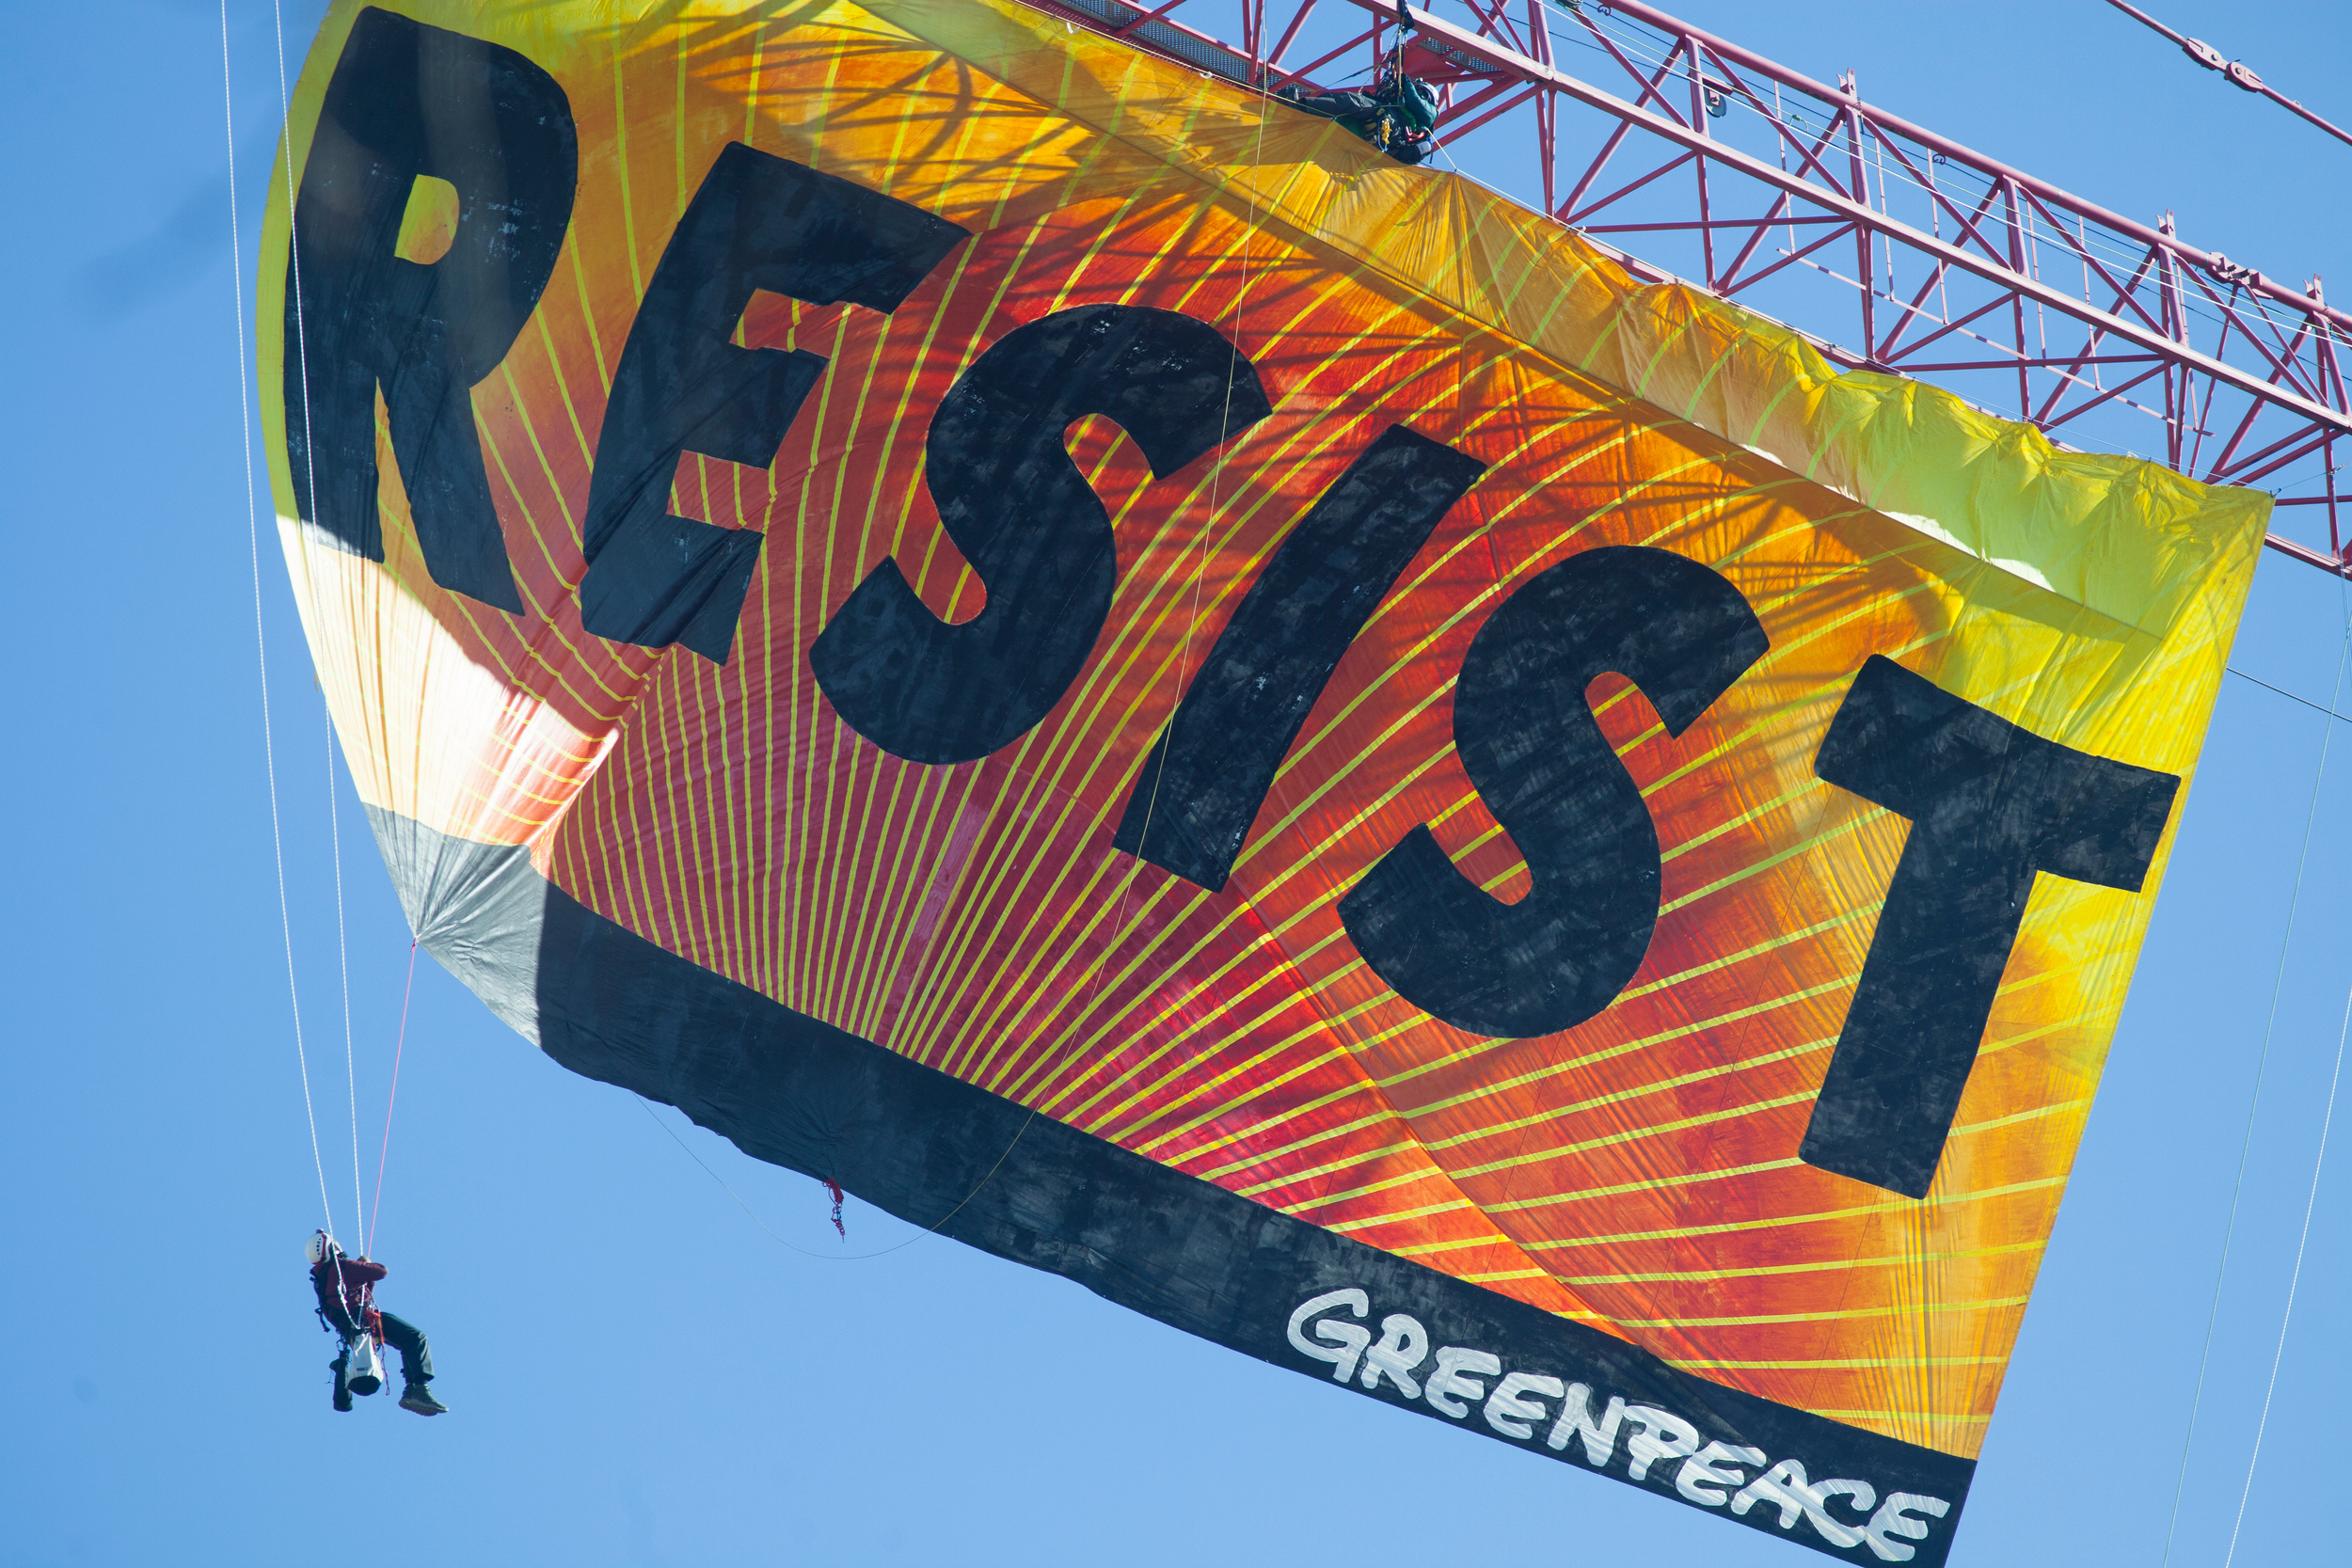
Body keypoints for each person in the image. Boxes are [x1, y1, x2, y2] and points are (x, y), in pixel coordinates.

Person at [306, 1231, 449, 1416]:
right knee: (415, 1338)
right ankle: (417, 1389)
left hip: (356, 1328)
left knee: (409, 1341)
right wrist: (364, 1265)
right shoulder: (341, 1267)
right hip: (365, 1321)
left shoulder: (323, 1280)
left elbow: (363, 1293)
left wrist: (362, 1269)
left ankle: (415, 1390)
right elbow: (381, 1271)